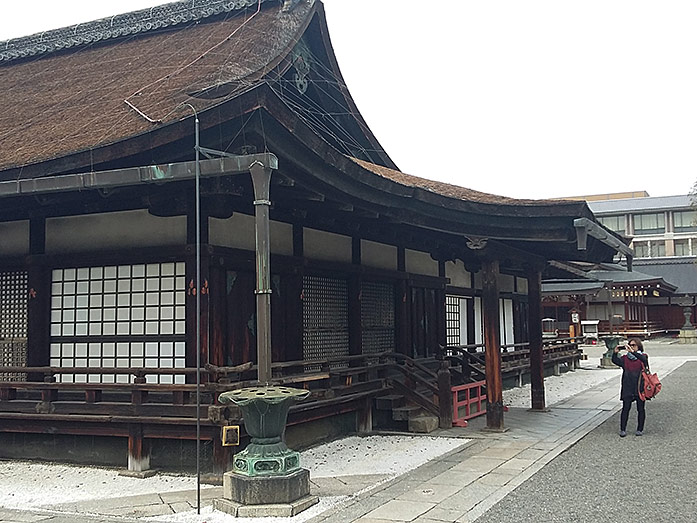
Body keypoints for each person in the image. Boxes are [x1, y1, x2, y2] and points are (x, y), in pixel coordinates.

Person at [612, 337, 649, 437]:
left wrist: (633, 352)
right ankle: (623, 429)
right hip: (628, 386)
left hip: (639, 386)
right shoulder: (625, 359)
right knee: (625, 408)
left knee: (640, 409)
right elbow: (615, 361)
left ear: (638, 346)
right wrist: (615, 353)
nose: (631, 347)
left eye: (634, 345)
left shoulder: (643, 356)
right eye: (630, 345)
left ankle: (640, 429)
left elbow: (644, 360)